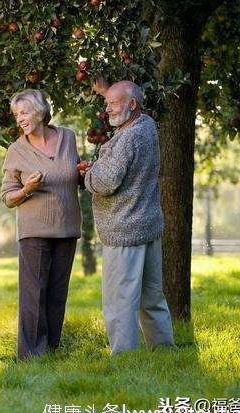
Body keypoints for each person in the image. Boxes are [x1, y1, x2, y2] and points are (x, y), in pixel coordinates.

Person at [84, 78, 176, 356]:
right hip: (147, 225)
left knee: (119, 300)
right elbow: (120, 166)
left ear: (133, 104)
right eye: (107, 103)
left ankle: (124, 356)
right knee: (152, 296)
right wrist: (108, 92)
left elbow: (106, 181)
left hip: (125, 229)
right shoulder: (146, 125)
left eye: (114, 104)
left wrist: (88, 174)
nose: (108, 110)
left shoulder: (128, 138)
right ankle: (163, 350)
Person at [0, 89, 82, 360]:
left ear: (41, 111)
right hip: (34, 230)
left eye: (24, 112)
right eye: (16, 115)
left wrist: (84, 173)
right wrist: (27, 189)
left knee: (58, 291)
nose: (19, 119)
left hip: (67, 227)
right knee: (33, 294)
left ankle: (52, 347)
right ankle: (31, 353)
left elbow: (72, 173)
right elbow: (7, 197)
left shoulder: (67, 138)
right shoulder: (17, 150)